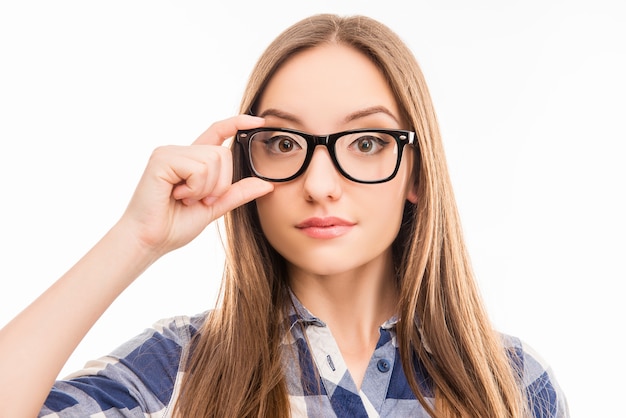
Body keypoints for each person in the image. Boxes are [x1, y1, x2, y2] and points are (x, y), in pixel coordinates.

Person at [0, 13, 568, 418]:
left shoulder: (510, 384)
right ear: (247, 161)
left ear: (416, 173)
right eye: (284, 143)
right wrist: (137, 238)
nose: (320, 185)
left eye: (366, 143)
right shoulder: (180, 368)